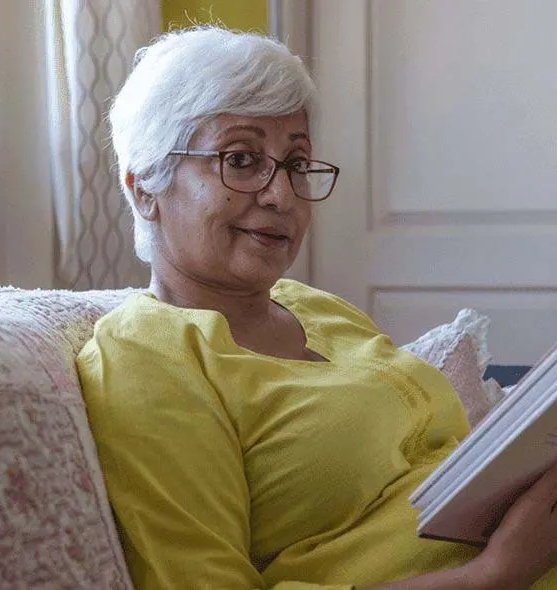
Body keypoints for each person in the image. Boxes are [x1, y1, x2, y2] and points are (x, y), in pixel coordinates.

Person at [76, 26, 557, 590]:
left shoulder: (317, 309)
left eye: (297, 163)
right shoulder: (143, 355)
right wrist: (492, 575)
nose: (282, 195)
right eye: (240, 159)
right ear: (144, 188)